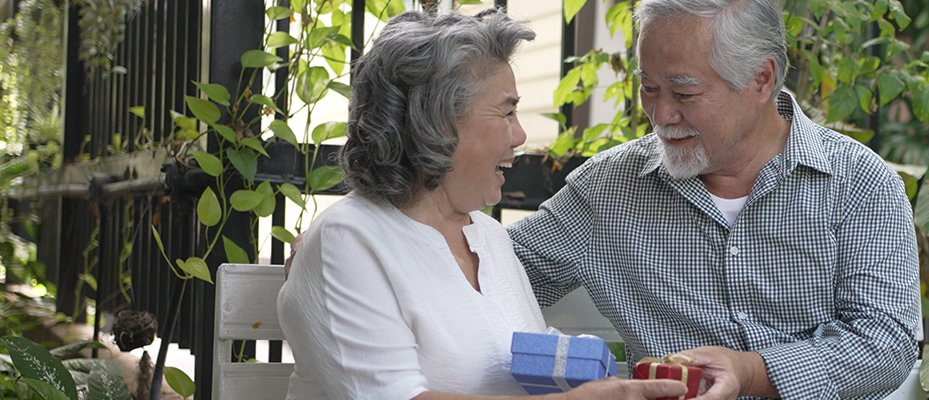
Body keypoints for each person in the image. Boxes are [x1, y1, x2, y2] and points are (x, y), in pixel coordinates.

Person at [506, 0, 921, 398]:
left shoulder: (860, 183)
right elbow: (485, 275)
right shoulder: (607, 190)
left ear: (761, 79)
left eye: (684, 94)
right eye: (649, 88)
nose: (661, 114)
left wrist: (753, 372)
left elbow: (886, 343)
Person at [276, 7, 687, 400]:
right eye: (507, 112)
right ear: (437, 123)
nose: (520, 135)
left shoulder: (487, 236)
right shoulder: (348, 240)